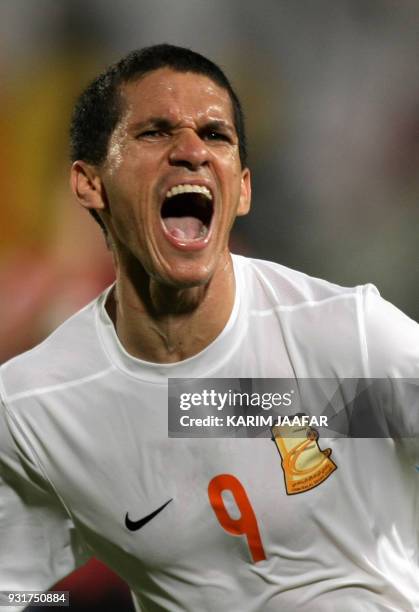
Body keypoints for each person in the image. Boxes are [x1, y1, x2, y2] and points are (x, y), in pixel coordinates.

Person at [0, 43, 418, 612]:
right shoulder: (39, 408)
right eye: (155, 132)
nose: (192, 150)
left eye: (215, 135)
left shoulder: (344, 336)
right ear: (89, 183)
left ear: (242, 188)